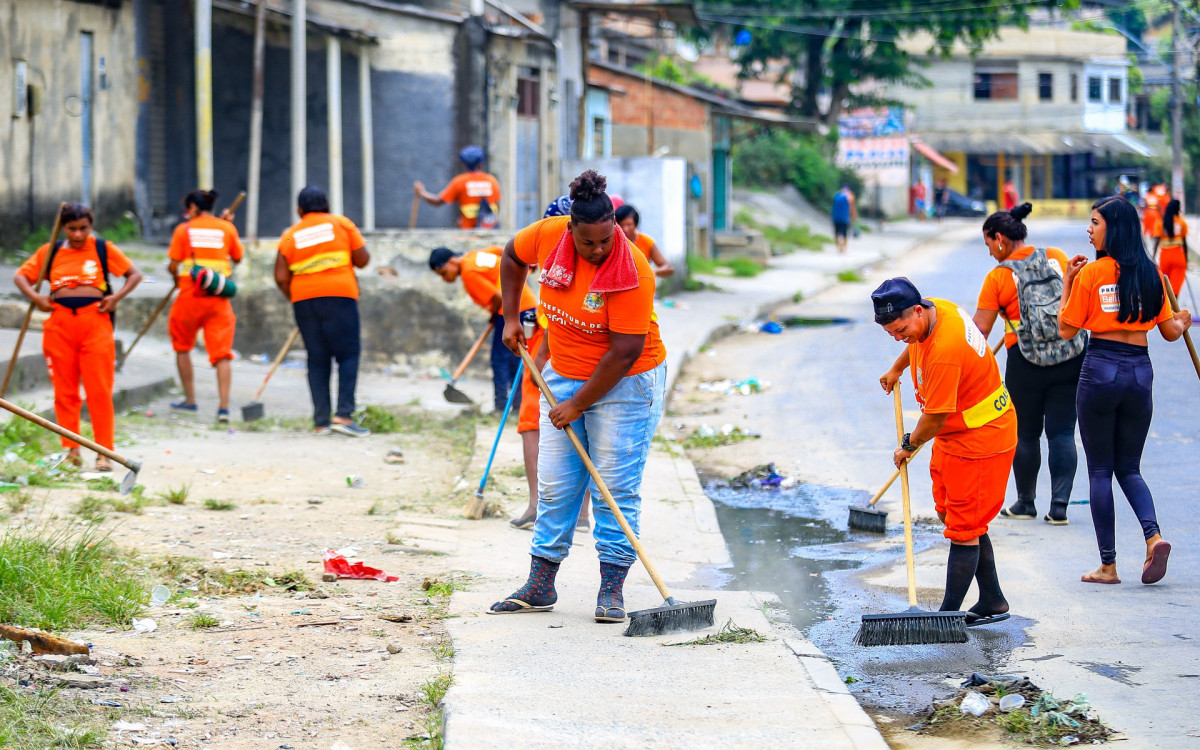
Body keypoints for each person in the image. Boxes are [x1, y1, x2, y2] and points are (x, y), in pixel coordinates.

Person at [488, 169, 667, 623]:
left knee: (613, 489)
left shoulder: (633, 270)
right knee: (556, 484)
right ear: (570, 230)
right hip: (566, 372)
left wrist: (578, 404)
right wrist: (511, 317)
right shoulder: (547, 235)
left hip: (627, 382)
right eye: (588, 242)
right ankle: (540, 584)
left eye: (606, 239)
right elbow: (511, 256)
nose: (599, 249)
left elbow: (624, 352)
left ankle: (611, 589)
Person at [1058, 196, 1191, 585]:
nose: (1089, 230)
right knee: (1129, 467)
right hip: (1139, 372)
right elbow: (1170, 332)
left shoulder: (1091, 273)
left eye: (1095, 223)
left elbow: (1066, 329)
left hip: (1101, 368)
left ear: (1113, 229)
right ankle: (1154, 537)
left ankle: (1108, 565)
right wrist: (1182, 319)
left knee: (1101, 470)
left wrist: (1068, 283)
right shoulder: (1153, 274)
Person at [876, 277, 1017, 626]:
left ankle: (947, 616)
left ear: (917, 310)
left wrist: (908, 445)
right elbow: (914, 343)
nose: (899, 337)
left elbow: (935, 417)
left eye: (901, 329)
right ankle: (993, 598)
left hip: (981, 440)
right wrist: (898, 367)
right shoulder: (934, 311)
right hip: (956, 434)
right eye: (891, 333)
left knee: (965, 527)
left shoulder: (945, 350)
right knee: (953, 515)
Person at [972, 203, 1083, 524]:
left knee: (1025, 434)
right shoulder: (1056, 257)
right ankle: (1059, 507)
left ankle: (1025, 503)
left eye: (989, 244)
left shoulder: (998, 277)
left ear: (999, 239)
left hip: (1025, 362)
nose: (990, 252)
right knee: (1062, 433)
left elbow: (979, 331)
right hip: (1070, 355)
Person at [13, 203, 143, 471]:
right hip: (59, 325)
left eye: (84, 228)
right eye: (72, 229)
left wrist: (116, 298)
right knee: (65, 393)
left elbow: (135, 275)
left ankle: (103, 453)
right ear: (63, 227)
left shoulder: (103, 249)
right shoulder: (50, 251)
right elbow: (21, 277)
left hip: (96, 323)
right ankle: (72, 451)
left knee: (99, 391)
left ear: (91, 226)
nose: (78, 234)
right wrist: (36, 297)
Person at [428, 244, 545, 529]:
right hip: (526, 304)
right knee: (516, 359)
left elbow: (496, 297)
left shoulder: (468, 273)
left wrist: (497, 314)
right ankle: (514, 403)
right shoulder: (478, 255)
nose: (446, 278)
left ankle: (502, 404)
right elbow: (508, 253)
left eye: (443, 273)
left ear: (451, 262)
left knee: (501, 359)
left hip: (512, 309)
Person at [275, 185, 372, 437]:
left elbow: (281, 277)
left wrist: (297, 298)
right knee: (348, 355)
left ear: (299, 210)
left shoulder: (290, 235)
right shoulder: (342, 224)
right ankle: (344, 415)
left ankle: (321, 422)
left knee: (317, 359)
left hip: (304, 301)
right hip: (340, 296)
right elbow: (363, 260)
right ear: (326, 205)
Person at [166, 189, 243, 423]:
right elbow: (238, 258)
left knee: (182, 347)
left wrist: (176, 279)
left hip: (189, 297)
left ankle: (190, 400)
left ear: (192, 208)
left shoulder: (184, 230)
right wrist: (227, 226)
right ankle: (223, 408)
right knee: (222, 354)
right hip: (218, 299)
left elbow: (173, 266)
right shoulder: (226, 228)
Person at [413, 145, 501, 229]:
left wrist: (421, 193)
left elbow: (438, 201)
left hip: (468, 234)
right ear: (482, 163)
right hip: (490, 232)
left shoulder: (460, 181)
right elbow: (496, 206)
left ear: (465, 163)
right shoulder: (492, 181)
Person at [615, 204, 675, 278]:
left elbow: (668, 268)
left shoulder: (646, 241)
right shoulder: (613, 243)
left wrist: (650, 272)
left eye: (629, 224)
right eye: (621, 225)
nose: (625, 229)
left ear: (636, 224)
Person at [1153, 198, 1188, 297]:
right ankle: (1174, 303)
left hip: (1165, 256)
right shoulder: (1181, 222)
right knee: (1175, 287)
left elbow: (1156, 242)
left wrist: (1153, 257)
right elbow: (1184, 243)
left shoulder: (1160, 223)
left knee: (1164, 284)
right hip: (1178, 255)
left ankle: (1166, 305)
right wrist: (1186, 259)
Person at [832, 185, 857, 254]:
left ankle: (838, 248)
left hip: (836, 217)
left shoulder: (836, 196)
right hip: (844, 218)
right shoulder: (850, 197)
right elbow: (852, 208)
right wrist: (853, 216)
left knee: (837, 233)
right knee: (844, 234)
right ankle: (843, 248)